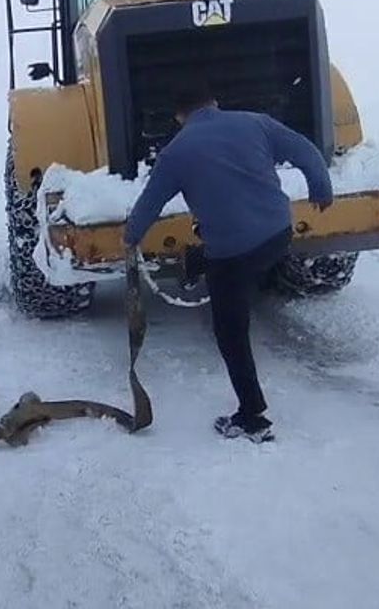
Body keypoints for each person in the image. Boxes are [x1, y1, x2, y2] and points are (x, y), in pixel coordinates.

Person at [123, 80, 333, 443]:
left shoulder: (175, 152)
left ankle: (252, 417)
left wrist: (130, 237)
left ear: (179, 117)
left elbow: (149, 204)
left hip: (233, 252)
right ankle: (205, 270)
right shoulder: (256, 122)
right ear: (215, 103)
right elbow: (305, 150)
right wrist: (321, 187)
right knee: (225, 261)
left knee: (231, 331)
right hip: (278, 233)